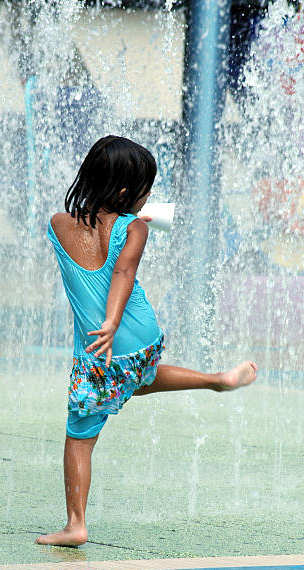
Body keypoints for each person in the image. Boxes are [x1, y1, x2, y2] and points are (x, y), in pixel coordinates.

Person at [36, 135, 257, 548]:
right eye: (146, 190)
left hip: (102, 349)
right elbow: (122, 268)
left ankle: (75, 524)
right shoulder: (135, 227)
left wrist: (108, 323)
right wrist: (134, 221)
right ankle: (217, 380)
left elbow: (105, 249)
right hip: (142, 338)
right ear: (124, 194)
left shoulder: (58, 225)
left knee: (78, 438)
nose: (149, 197)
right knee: (139, 378)